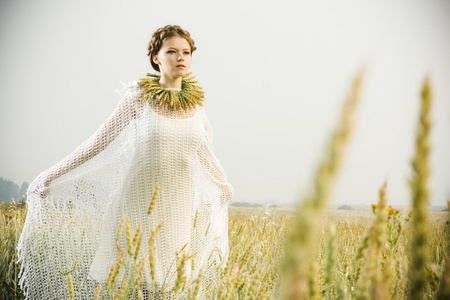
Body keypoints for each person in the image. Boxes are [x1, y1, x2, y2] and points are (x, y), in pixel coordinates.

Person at [16, 25, 233, 299]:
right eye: (172, 51)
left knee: (168, 287)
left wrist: (225, 187)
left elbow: (205, 155)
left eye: (186, 52)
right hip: (138, 207)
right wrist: (50, 175)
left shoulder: (196, 107)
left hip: (178, 211)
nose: (181, 57)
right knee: (134, 287)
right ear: (156, 57)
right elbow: (97, 143)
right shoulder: (138, 98)